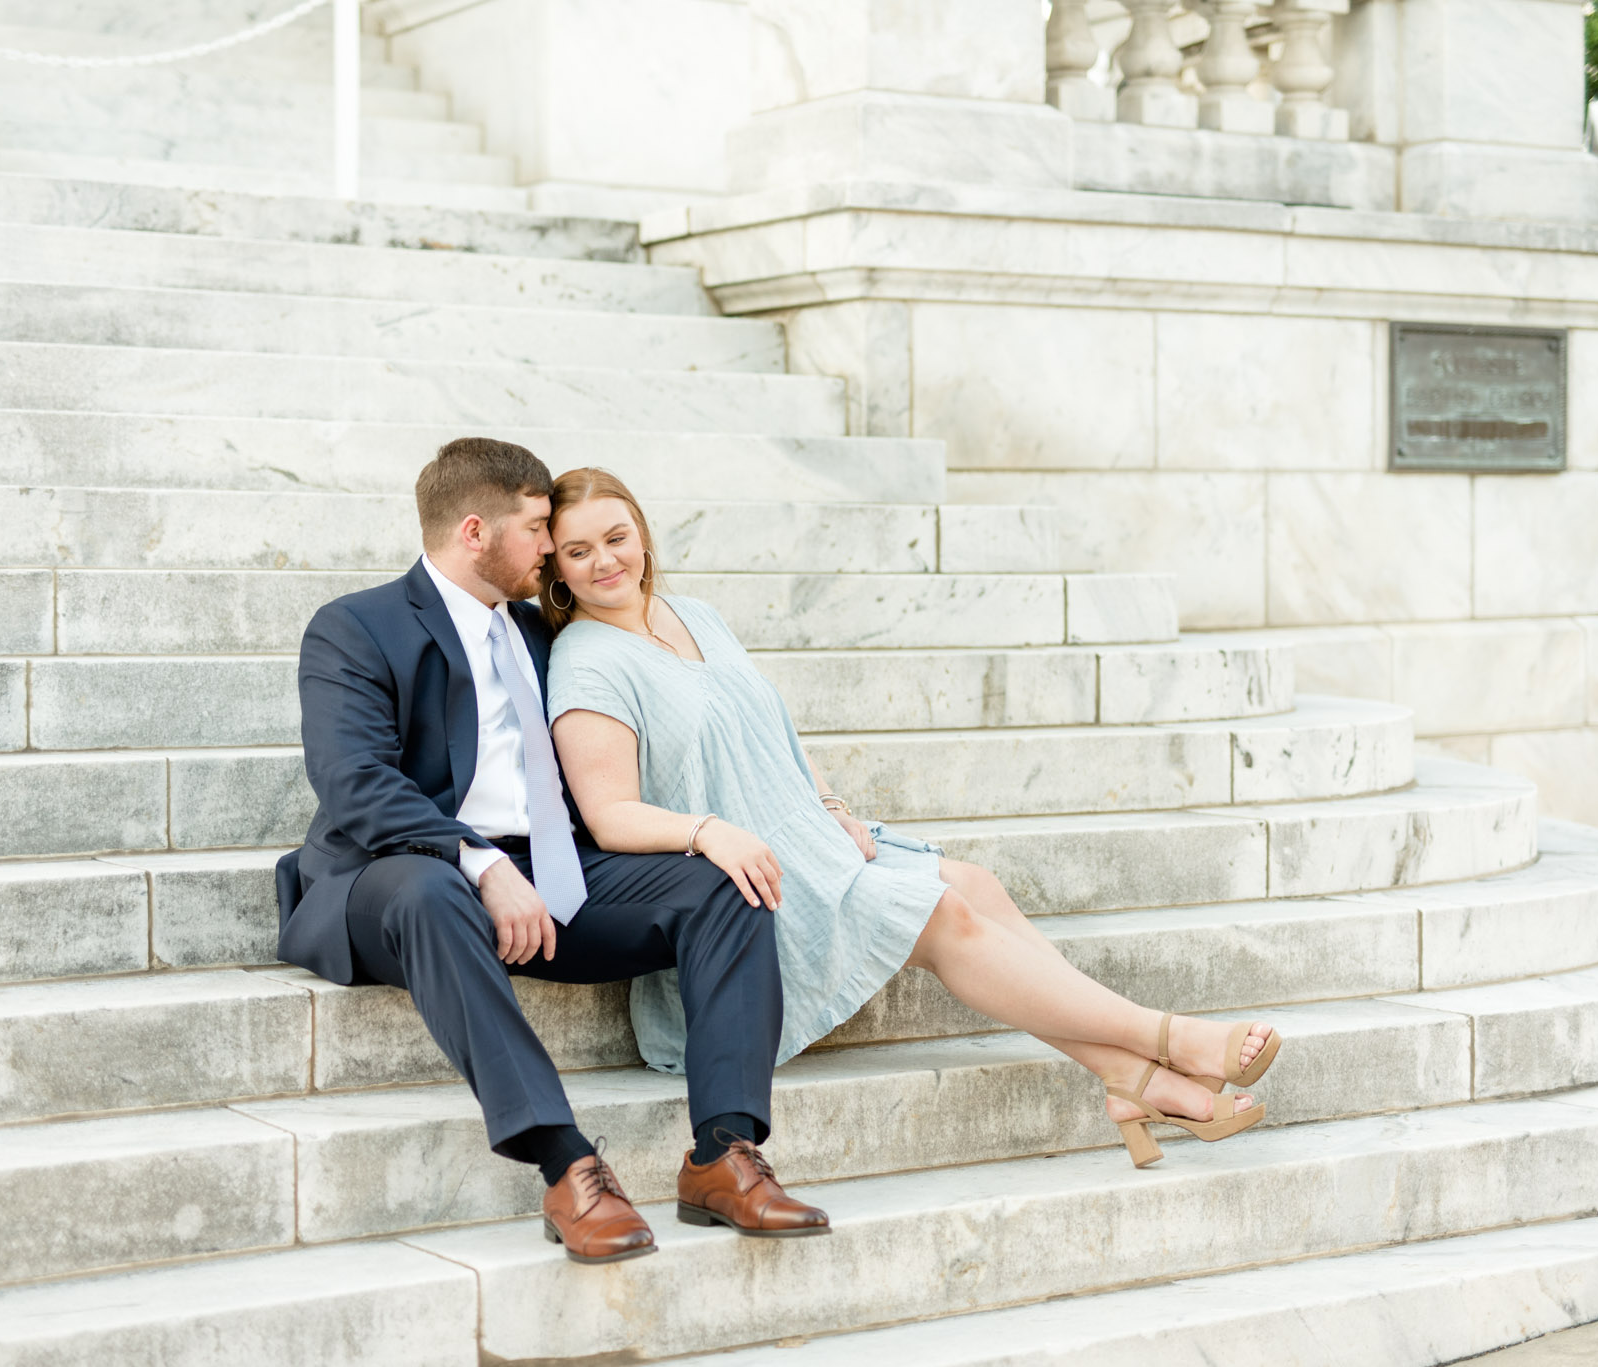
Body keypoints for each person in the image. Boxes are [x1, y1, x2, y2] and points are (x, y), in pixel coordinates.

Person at [540, 468, 1283, 1169]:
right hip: (755, 885)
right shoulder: (585, 659)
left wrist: (831, 804)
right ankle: (1173, 1038)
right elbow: (611, 817)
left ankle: (1136, 1083)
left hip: (814, 840)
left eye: (616, 535)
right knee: (945, 913)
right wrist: (708, 831)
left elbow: (774, 730)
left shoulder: (691, 613)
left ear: (641, 532)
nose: (605, 560)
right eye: (579, 550)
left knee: (975, 883)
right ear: (557, 570)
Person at [274, 439, 828, 1265]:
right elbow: (354, 784)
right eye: (539, 529)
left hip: (553, 870)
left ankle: (724, 1154)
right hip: (391, 875)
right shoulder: (357, 627)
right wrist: (484, 866)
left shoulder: (543, 630)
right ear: (474, 531)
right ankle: (567, 1164)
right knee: (433, 893)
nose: (553, 548)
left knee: (722, 888)